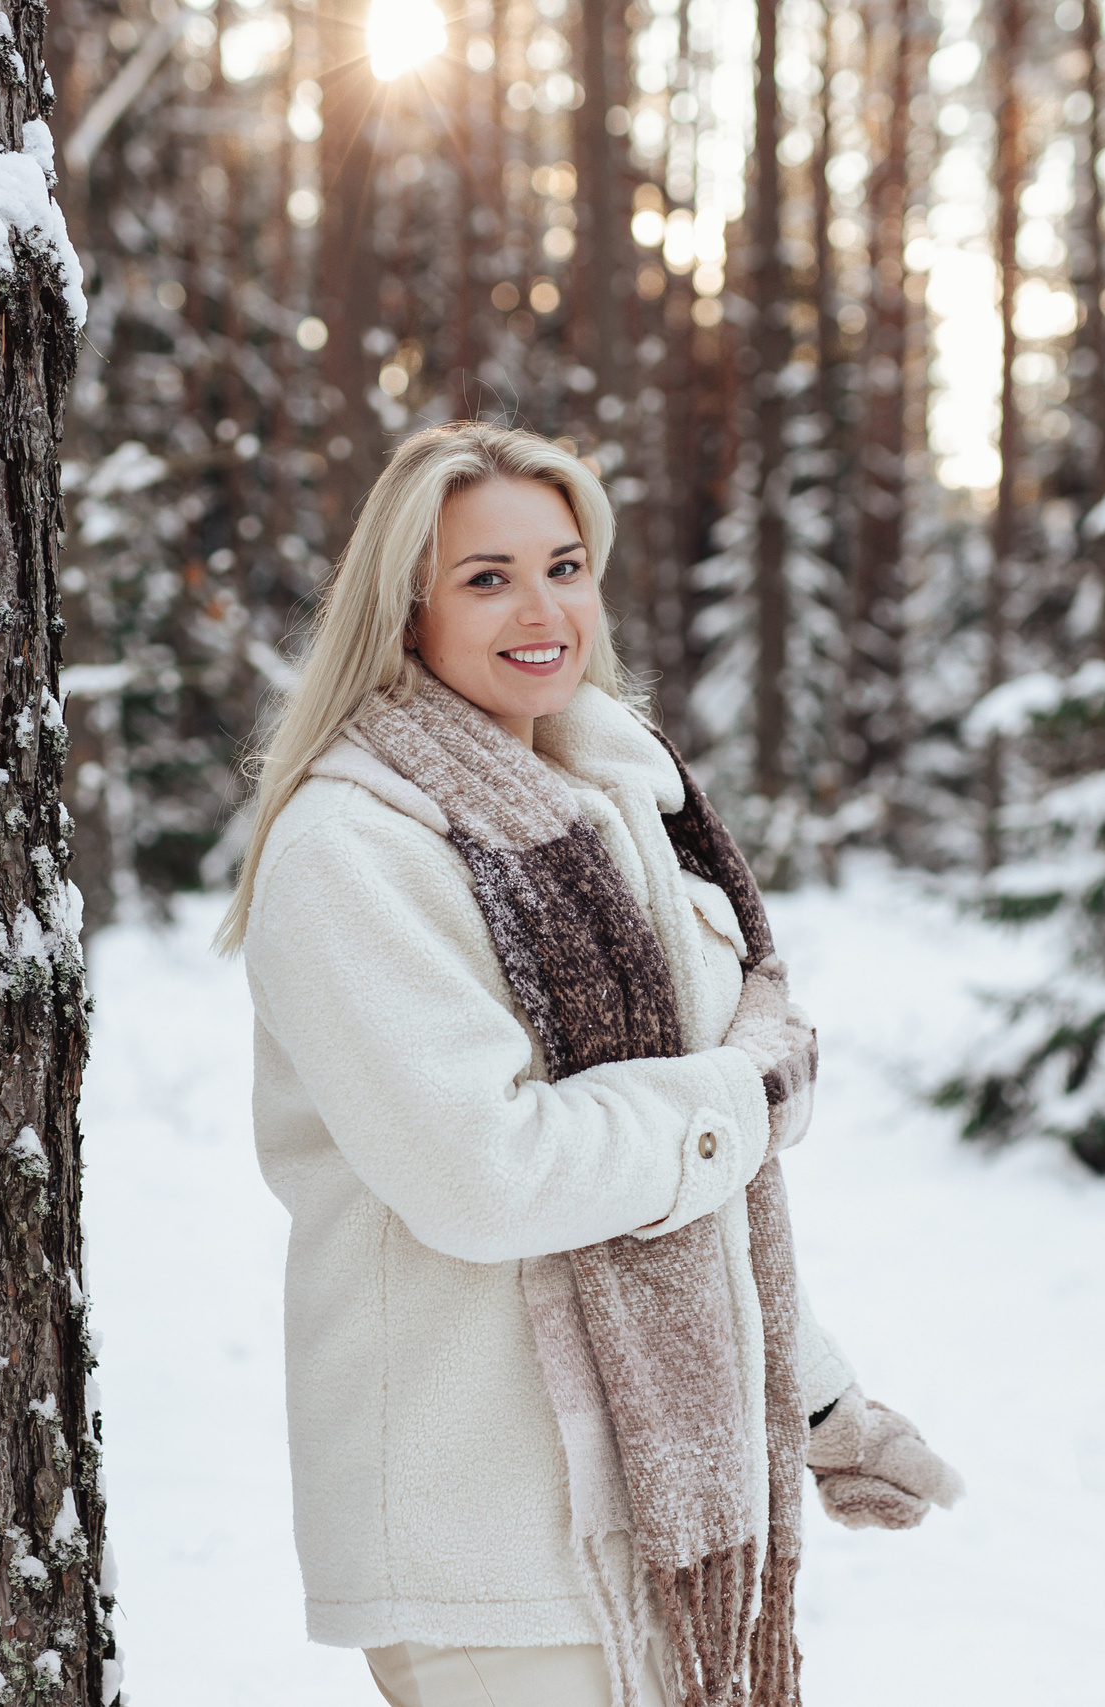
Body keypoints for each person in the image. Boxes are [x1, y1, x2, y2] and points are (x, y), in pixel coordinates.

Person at [219, 422, 962, 1707]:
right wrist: (745, 1092)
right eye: (487, 578)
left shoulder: (614, 807)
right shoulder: (355, 852)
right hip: (487, 1539)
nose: (543, 610)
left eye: (565, 567)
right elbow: (491, 1176)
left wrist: (814, 1400)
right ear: (404, 607)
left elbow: (691, 1197)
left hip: (638, 1522)